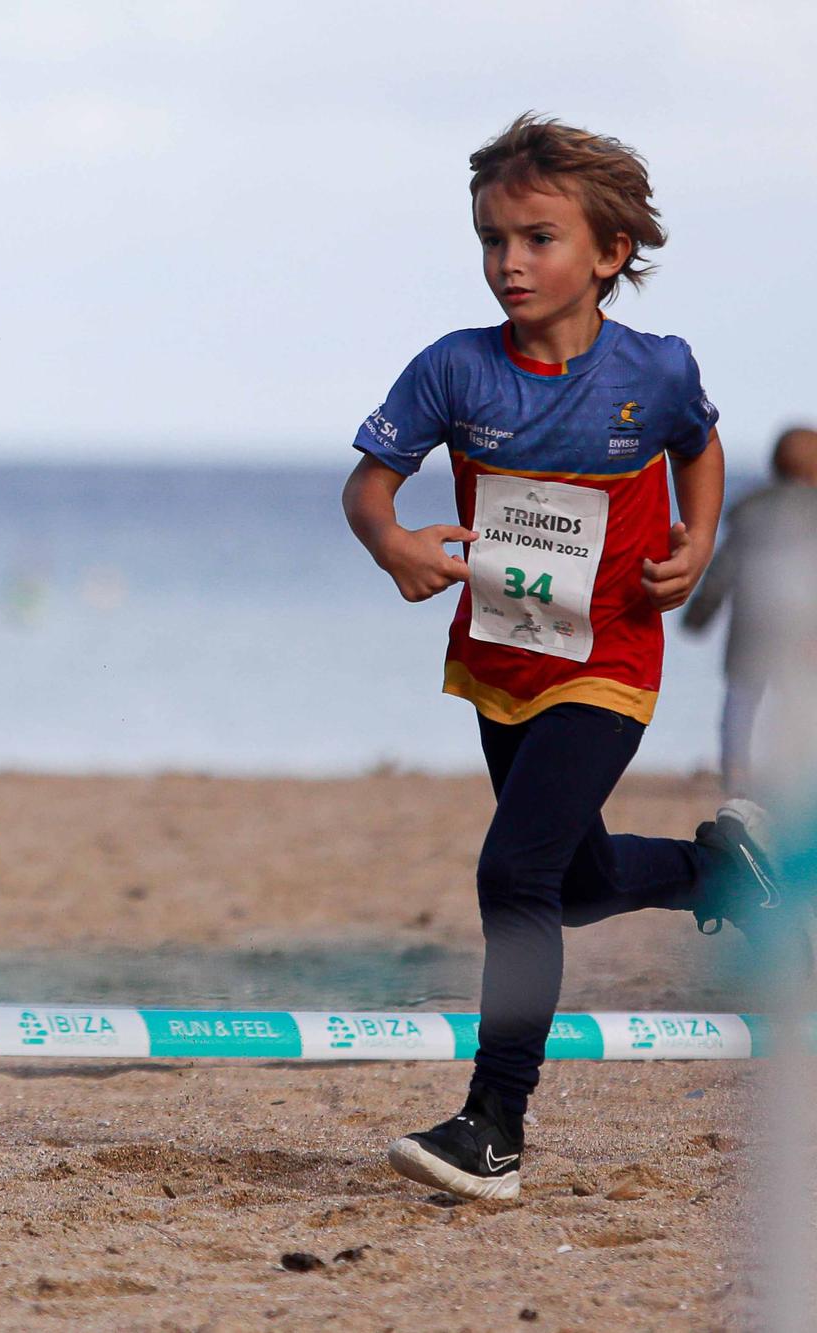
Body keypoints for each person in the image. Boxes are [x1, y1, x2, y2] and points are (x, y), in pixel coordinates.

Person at [341, 114, 790, 1202]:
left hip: (610, 661)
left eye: (536, 239)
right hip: (498, 660)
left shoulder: (654, 371)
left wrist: (695, 541)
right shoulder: (452, 370)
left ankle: (492, 1124)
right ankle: (711, 869)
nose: (508, 262)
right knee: (574, 881)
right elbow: (367, 487)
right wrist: (390, 542)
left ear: (607, 253)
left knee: (512, 874)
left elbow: (698, 442)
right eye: (491, 238)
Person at [682, 426, 817, 795]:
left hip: (751, 623)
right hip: (804, 625)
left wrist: (697, 616)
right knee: (797, 698)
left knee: (741, 698)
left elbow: (722, 570)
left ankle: (736, 771)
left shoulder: (749, 509)